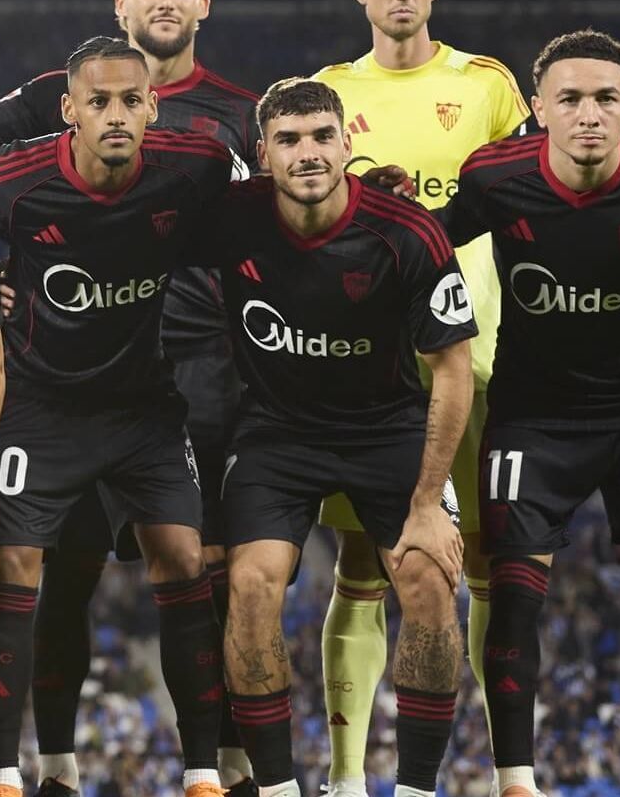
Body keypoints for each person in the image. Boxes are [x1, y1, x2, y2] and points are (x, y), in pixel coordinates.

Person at [0, 0, 259, 795]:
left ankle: (225, 764)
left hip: (193, 378)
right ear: (120, 2)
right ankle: (45, 768)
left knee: (210, 568)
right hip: (59, 379)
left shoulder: (230, 124)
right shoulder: (40, 110)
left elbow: (276, 213)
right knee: (60, 576)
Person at [437, 30, 620, 797]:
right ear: (538, 109)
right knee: (512, 594)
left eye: (606, 98)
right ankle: (516, 782)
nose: (588, 114)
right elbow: (423, 250)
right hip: (532, 415)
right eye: (569, 99)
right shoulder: (495, 177)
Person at [197, 77, 475, 797]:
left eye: (322, 136)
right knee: (251, 584)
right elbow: (124, 232)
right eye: (288, 140)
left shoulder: (406, 231)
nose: (309, 152)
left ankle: (416, 787)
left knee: (430, 580)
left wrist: (423, 504)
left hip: (388, 426)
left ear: (348, 143)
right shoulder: (229, 217)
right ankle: (280, 787)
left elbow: (451, 372)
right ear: (263, 155)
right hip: (276, 430)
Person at [309, 0, 529, 793]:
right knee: (364, 569)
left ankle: (512, 771)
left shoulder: (486, 87)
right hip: (370, 365)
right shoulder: (326, 92)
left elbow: (531, 200)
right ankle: (345, 777)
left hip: (477, 360)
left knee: (481, 563)